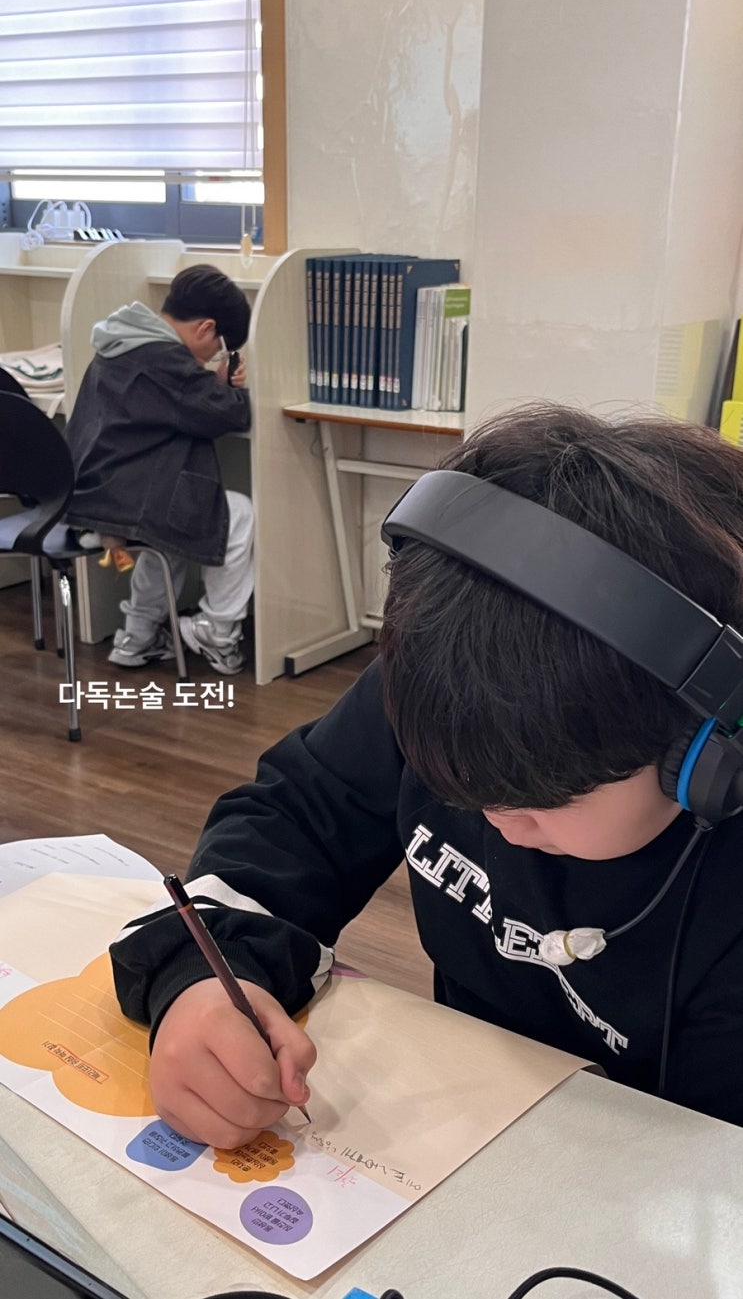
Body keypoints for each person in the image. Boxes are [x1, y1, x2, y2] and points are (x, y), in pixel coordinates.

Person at [110, 403, 743, 1146]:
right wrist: (204, 978)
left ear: (705, 752)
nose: (499, 823)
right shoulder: (454, 699)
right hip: (470, 1119)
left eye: (541, 800)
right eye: (462, 791)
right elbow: (298, 814)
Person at [65, 264, 253, 675]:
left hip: (90, 494)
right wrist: (229, 388)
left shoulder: (122, 339)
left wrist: (211, 382)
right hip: (125, 501)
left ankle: (137, 636)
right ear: (206, 328)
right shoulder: (166, 359)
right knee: (234, 513)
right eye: (219, 347)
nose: (215, 356)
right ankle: (218, 632)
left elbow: (176, 400)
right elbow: (228, 415)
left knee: (176, 523)